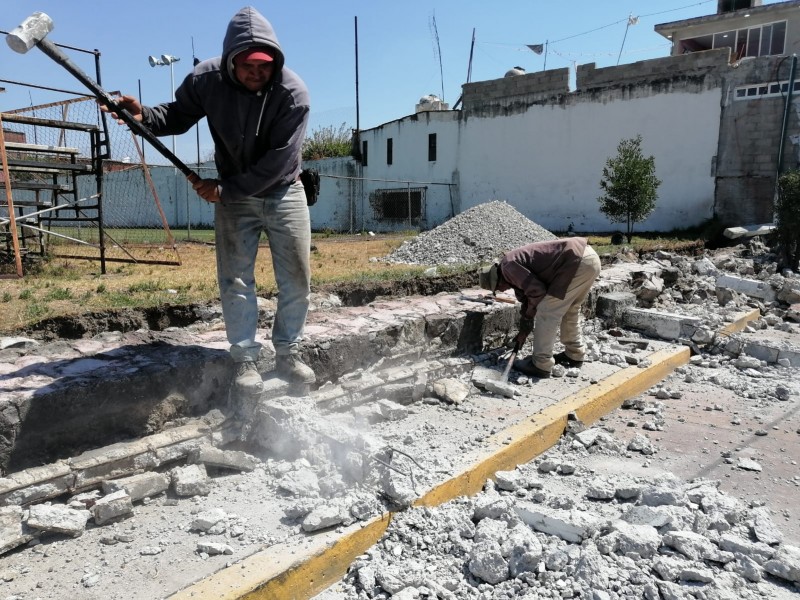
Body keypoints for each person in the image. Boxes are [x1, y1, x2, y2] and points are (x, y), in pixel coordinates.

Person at [103, 6, 315, 394]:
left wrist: (223, 191)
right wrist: (144, 115)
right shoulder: (205, 80)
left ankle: (288, 353)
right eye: (249, 65)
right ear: (232, 60)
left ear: (275, 63)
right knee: (235, 279)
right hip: (234, 194)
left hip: (284, 189)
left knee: (297, 279)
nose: (257, 73)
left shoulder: (293, 94)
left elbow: (278, 162)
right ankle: (246, 359)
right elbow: (178, 115)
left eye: (264, 66)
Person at [479, 238, 601, 378]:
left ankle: (541, 364)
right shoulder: (511, 268)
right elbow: (527, 300)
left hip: (575, 262)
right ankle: (574, 354)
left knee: (547, 311)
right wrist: (524, 329)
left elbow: (537, 292)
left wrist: (531, 315)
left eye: (498, 288)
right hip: (589, 259)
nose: (501, 290)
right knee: (570, 309)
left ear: (497, 279)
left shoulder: (508, 267)